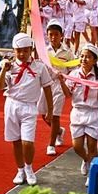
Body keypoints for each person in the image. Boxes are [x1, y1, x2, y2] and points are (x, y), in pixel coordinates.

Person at [0, 33, 53, 186]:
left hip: (29, 106)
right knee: (16, 140)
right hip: (12, 104)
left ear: (30, 50)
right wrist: (3, 70)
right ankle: (20, 169)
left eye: (25, 50)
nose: (22, 54)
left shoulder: (40, 67)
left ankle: (29, 168)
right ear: (14, 51)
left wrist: (50, 110)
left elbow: (47, 88)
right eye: (18, 50)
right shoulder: (9, 67)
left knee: (28, 142)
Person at [59, 43, 98, 187]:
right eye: (82, 56)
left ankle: (92, 174)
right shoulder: (74, 75)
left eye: (88, 57)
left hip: (93, 113)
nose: (84, 59)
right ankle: (87, 160)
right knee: (77, 146)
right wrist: (62, 82)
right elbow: (68, 95)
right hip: (78, 113)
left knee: (92, 146)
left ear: (94, 60)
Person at [37, 19, 73, 156]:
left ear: (61, 35)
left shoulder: (67, 52)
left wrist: (67, 81)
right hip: (46, 85)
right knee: (44, 114)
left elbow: (73, 68)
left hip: (59, 86)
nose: (53, 37)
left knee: (55, 116)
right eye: (50, 34)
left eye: (56, 34)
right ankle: (58, 131)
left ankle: (51, 144)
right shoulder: (44, 51)